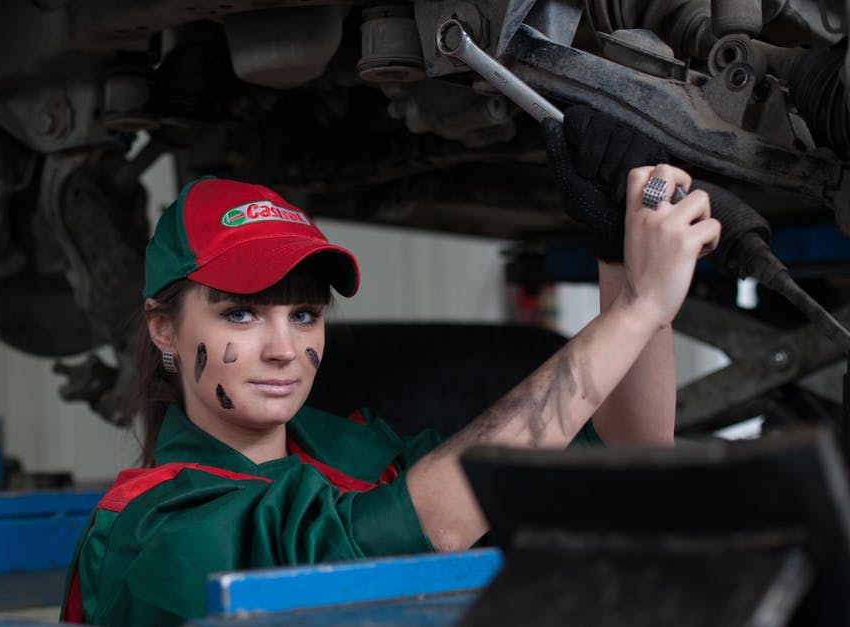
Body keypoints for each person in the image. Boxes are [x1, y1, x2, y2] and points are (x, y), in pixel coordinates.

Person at [59, 110, 721, 626]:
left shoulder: (348, 448)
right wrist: (636, 308)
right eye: (241, 314)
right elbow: (394, 536)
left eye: (304, 314)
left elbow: (625, 461)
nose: (285, 347)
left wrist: (619, 253)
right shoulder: (152, 529)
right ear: (165, 328)